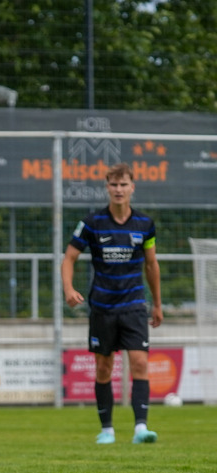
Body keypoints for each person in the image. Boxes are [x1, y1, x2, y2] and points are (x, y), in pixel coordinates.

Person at [62, 162, 162, 445]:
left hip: (133, 306)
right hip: (103, 307)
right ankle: (107, 430)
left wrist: (157, 304)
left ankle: (141, 428)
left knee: (140, 363)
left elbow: (152, 265)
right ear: (107, 188)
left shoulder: (145, 224)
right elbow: (68, 258)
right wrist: (68, 289)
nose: (119, 190)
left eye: (124, 184)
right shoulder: (92, 223)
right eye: (114, 185)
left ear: (132, 187)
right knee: (104, 368)